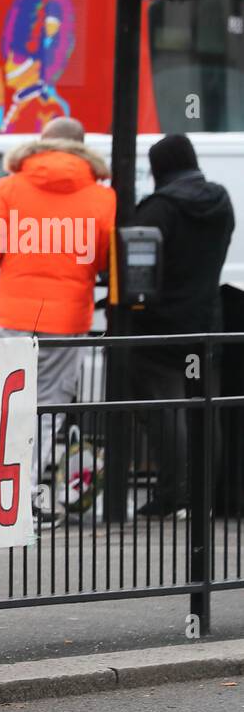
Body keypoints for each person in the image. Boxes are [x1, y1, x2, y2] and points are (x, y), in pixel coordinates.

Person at [0, 116, 115, 526]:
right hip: (67, 316)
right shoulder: (102, 198)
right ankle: (25, 495)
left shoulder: (11, 186)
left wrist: (17, 254)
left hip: (16, 313)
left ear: (41, 144)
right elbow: (105, 259)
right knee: (48, 406)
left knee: (7, 401)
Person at [127, 133, 233, 518]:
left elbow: (139, 269)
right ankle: (206, 496)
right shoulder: (221, 201)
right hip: (208, 324)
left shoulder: (160, 210)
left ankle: (174, 496)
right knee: (207, 409)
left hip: (162, 327)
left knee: (166, 409)